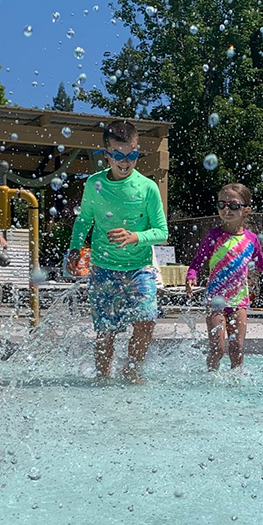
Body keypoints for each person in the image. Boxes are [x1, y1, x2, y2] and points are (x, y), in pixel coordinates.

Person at [64, 120, 167, 382]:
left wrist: (135, 236)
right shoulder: (94, 185)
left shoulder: (147, 188)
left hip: (139, 270)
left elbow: (162, 232)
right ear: (106, 153)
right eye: (118, 155)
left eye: (132, 154)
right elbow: (84, 220)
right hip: (103, 267)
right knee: (106, 331)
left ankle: (131, 371)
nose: (125, 161)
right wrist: (75, 248)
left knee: (146, 323)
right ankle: (102, 378)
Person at [185, 183, 263, 370]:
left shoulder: (251, 239)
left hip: (239, 300)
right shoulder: (213, 235)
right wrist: (191, 275)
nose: (227, 209)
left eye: (234, 205)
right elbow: (198, 260)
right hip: (215, 299)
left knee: (237, 349)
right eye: (222, 204)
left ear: (246, 210)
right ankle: (211, 379)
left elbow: (261, 264)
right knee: (217, 348)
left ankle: (235, 383)